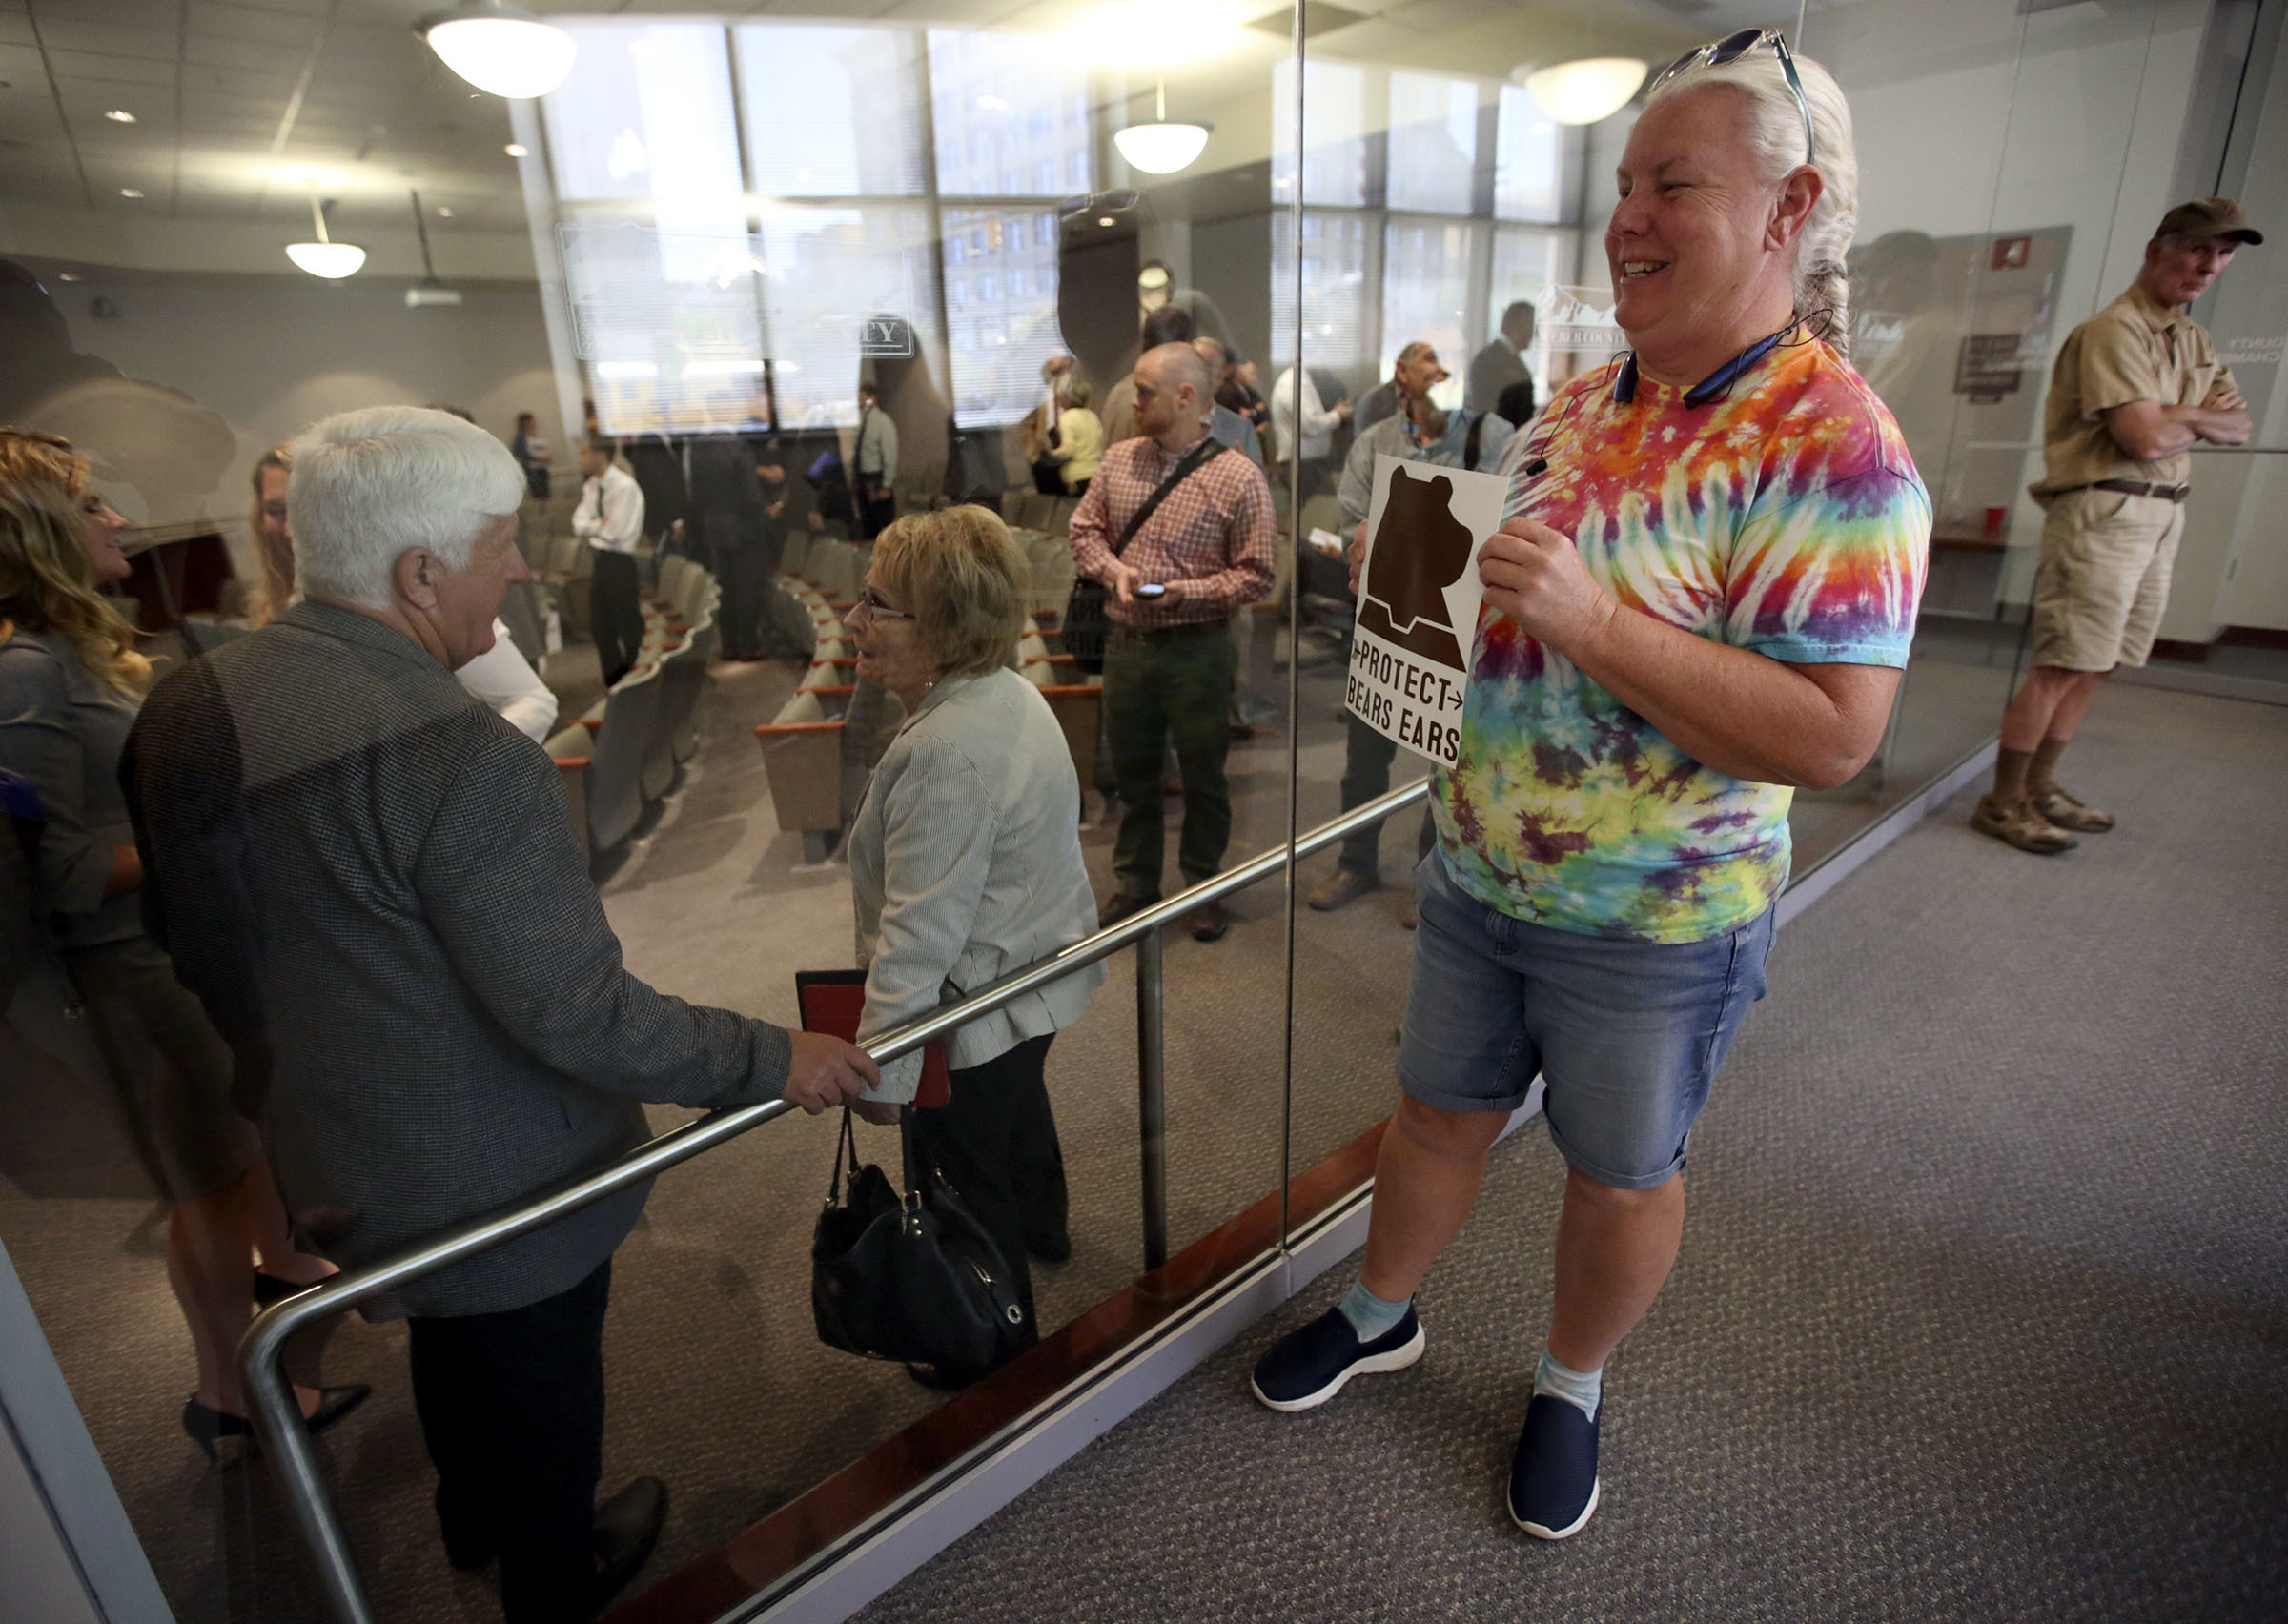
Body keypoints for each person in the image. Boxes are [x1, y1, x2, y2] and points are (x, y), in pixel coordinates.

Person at [1249, 35, 1928, 1545]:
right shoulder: (1577, 403)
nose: (1627, 218)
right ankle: (1381, 1311)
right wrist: (1416, 586)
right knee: (1432, 1118)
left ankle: (1570, 1382)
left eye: (1673, 183)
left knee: (1619, 1179)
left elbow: (1833, 739)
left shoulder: (1838, 449)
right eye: (1624, 183)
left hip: (1657, 920)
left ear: (1786, 208)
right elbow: (1514, 602)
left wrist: (1591, 621)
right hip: (1481, 873)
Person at [121, 406, 878, 1621]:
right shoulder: (464, 758)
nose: (520, 568)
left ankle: (465, 1513)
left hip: (330, 1156)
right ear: (419, 572)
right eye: (498, 545)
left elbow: (193, 947)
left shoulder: (186, 709)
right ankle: (547, 1574)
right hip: (509, 1183)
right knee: (538, 1391)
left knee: (444, 1332)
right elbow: (581, 1017)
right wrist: (767, 1054)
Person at [0, 429, 366, 1461]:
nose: (115, 521)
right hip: (136, 975)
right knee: (203, 1183)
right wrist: (205, 829)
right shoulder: (26, 673)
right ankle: (229, 1393)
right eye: (89, 508)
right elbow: (62, 872)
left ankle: (281, 1275)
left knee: (235, 1148)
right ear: (37, 536)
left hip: (176, 952)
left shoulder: (75, 650)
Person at [840, 506, 1106, 1386]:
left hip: (979, 1002)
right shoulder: (1008, 690)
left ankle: (997, 1354)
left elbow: (919, 935)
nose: (854, 622)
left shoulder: (948, 751)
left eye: (878, 606)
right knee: (1019, 1116)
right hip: (1033, 979)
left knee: (972, 1168)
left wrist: (883, 1069)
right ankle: (1048, 1226)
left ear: (943, 624)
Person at [1972, 196, 2258, 853]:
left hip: (2161, 514)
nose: (2208, 265)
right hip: (2105, 508)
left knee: (2099, 664)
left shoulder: (2191, 337)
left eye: (2222, 253)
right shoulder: (2114, 331)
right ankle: (2003, 800)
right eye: (2196, 248)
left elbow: (2239, 426)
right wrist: (2193, 417)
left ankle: (2040, 786)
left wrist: (2177, 415)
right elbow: (2143, 438)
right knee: (2063, 662)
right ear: (2158, 250)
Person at [1070, 343, 1277, 943]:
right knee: (1134, 777)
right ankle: (1136, 885)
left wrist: (1186, 593)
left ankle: (1203, 887)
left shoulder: (1238, 476)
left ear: (1186, 396)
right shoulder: (1118, 462)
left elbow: (1258, 573)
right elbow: (1083, 533)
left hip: (1198, 648)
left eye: (1144, 392)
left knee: (1205, 777)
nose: (1132, 402)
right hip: (1129, 644)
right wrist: (1117, 575)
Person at [1310, 386, 1516, 921]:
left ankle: (1433, 876)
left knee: (1445, 755)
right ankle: (1355, 861)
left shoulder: (1489, 435)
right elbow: (1352, 516)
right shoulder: (1376, 442)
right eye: (1426, 367)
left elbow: (1513, 506)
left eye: (1445, 372)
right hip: (1386, 615)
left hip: (1460, 616)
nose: (1437, 383)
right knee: (1364, 755)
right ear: (1402, 379)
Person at [247, 444, 558, 742]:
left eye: (305, 513)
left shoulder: (405, 594)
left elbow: (531, 700)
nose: (290, 530)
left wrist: (445, 767)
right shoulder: (281, 602)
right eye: (276, 511)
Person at [570, 437, 646, 686]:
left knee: (628, 625)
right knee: (601, 627)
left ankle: (636, 680)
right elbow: (578, 523)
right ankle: (614, 683)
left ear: (600, 454)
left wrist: (594, 527)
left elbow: (615, 532)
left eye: (584, 452)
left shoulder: (624, 487)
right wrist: (597, 526)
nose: (580, 458)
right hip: (600, 560)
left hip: (620, 562)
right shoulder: (592, 486)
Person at [1268, 362, 1353, 498]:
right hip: (1304, 468)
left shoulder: (1300, 380)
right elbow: (1308, 425)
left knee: (1321, 513)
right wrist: (1337, 415)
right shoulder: (1294, 382)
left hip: (1308, 466)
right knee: (1319, 514)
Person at [1354, 341, 1449, 435]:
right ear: (1402, 369)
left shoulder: (1424, 401)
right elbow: (1367, 441)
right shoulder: (1375, 400)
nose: (1439, 370)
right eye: (1430, 360)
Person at [1468, 300, 1539, 415]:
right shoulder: (1488, 360)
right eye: (1530, 326)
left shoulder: (1507, 358)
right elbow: (1486, 406)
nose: (1533, 334)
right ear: (1515, 326)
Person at [852, 381, 899, 541]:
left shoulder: (883, 422)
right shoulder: (861, 423)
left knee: (882, 525)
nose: (859, 402)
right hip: (863, 480)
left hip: (876, 479)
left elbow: (890, 455)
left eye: (862, 398)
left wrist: (886, 485)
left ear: (872, 398)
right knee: (868, 525)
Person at [1022, 355, 1074, 496]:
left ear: (1068, 360)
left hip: (1071, 453)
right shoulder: (1044, 387)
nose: (1050, 358)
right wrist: (1032, 450)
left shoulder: (1077, 386)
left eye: (1056, 354)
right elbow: (1028, 420)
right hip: (1045, 453)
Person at [1052, 379, 1103, 497]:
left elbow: (1068, 449)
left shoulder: (1066, 418)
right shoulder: (1092, 416)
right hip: (1096, 473)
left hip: (1077, 476)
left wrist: (1051, 454)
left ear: (1067, 398)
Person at [510, 412, 551, 502]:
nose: (534, 424)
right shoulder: (521, 438)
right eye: (532, 421)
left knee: (546, 495)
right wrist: (540, 458)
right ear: (525, 423)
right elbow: (521, 454)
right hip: (532, 471)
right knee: (538, 496)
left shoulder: (535, 436)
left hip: (542, 469)